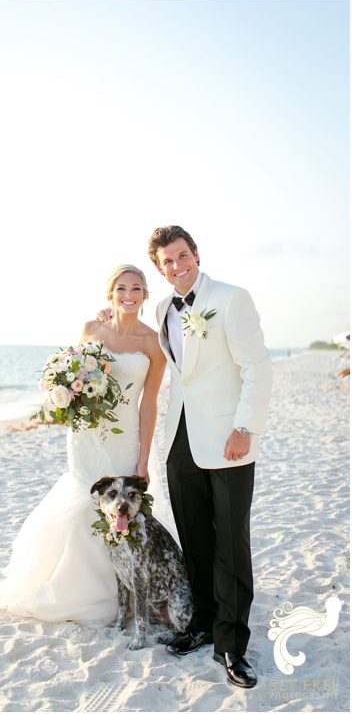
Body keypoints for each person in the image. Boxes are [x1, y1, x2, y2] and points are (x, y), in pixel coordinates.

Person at [0, 265, 174, 622]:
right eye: (121, 288)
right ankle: (81, 593)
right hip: (87, 435)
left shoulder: (153, 344)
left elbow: (149, 404)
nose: (128, 295)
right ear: (110, 293)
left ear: (145, 295)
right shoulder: (91, 329)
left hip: (126, 436)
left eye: (136, 288)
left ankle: (127, 594)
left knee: (122, 511)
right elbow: (77, 377)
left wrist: (144, 459)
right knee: (85, 501)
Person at [147, 226, 271, 689]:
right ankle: (202, 623)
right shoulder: (162, 308)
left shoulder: (233, 298)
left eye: (183, 256)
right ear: (161, 269)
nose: (178, 266)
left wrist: (244, 428)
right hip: (180, 436)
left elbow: (257, 369)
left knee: (231, 545)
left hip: (228, 438)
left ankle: (232, 646)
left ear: (196, 254)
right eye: (168, 262)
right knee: (195, 538)